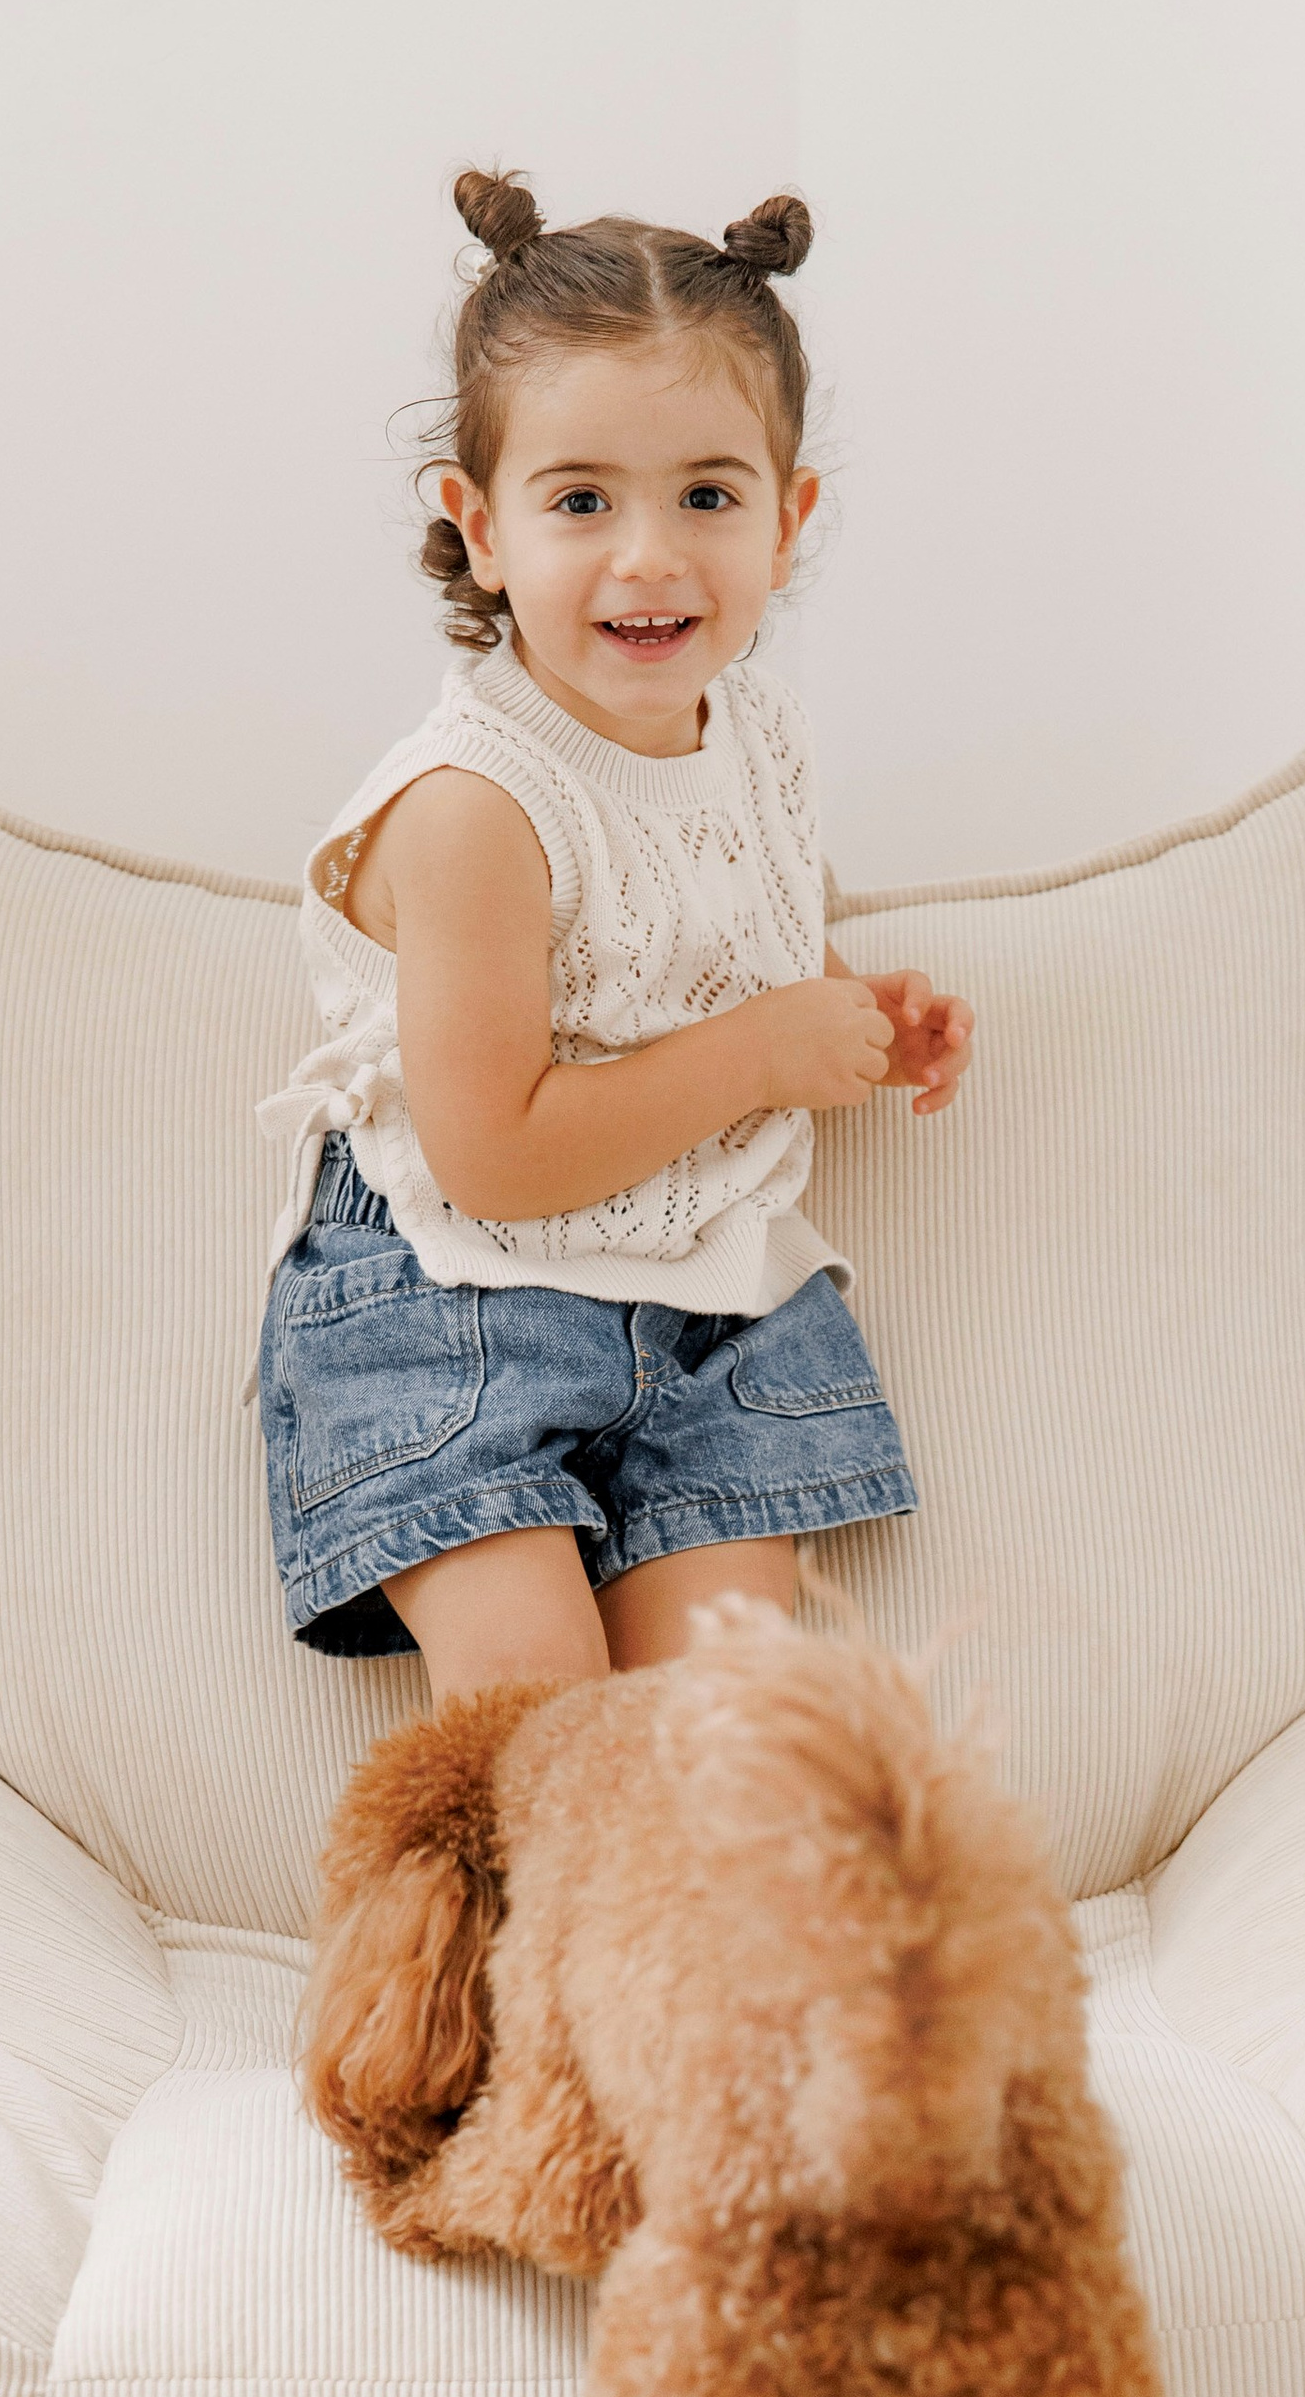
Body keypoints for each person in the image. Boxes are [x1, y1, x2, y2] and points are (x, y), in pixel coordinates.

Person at [254, 167, 970, 1700]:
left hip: (708, 1294)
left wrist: (852, 1007)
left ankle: (683, 1936)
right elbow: (497, 1157)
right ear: (481, 526)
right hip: (460, 1299)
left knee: (727, 1714)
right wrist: (764, 1052)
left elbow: (733, 944)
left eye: (708, 496)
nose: (649, 556)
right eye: (581, 500)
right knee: (535, 1691)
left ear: (789, 521)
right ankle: (502, 1937)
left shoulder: (756, 732)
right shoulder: (475, 813)